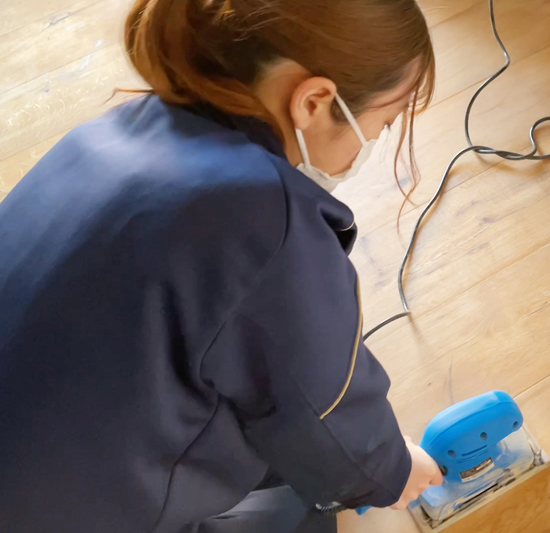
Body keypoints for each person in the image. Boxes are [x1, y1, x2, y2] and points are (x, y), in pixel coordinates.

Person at [0, 0, 444, 531]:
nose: (374, 141)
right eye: (385, 122)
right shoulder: (260, 219)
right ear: (315, 102)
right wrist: (392, 472)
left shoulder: (114, 130)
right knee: (306, 502)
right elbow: (322, 409)